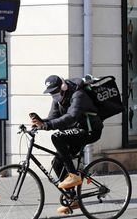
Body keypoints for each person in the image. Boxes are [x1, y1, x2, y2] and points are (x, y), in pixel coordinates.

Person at [30, 75, 104, 214]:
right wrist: (39, 122)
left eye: (55, 91)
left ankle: (73, 176)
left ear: (63, 87)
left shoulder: (78, 94)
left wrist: (47, 125)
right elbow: (53, 118)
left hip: (89, 130)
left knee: (57, 136)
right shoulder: (57, 99)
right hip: (74, 132)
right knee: (57, 163)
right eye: (51, 92)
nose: (53, 94)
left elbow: (71, 116)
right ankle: (73, 199)